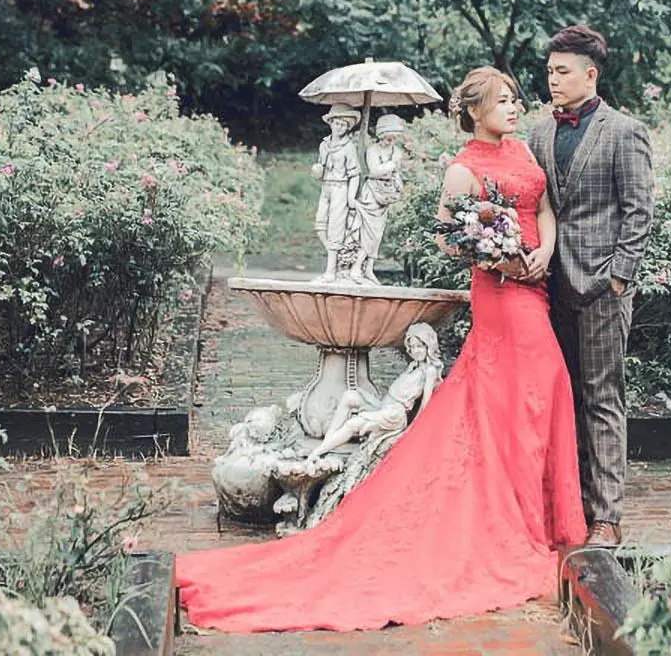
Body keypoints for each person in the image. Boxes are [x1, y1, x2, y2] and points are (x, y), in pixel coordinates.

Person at [174, 67, 585, 633]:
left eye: (515, 99)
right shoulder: (463, 169)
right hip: (501, 295)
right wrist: (494, 257)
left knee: (539, 390)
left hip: (535, 283)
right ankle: (512, 515)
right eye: (502, 101)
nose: (514, 107)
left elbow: (542, 210)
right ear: (474, 111)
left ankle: (538, 513)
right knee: (521, 392)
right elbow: (448, 237)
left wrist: (544, 252)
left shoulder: (522, 152)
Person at [527, 24, 655, 548]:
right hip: (550, 287)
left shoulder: (624, 131)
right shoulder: (538, 133)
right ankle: (572, 507)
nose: (553, 80)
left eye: (562, 72)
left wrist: (620, 276)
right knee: (564, 399)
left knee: (603, 398)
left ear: (591, 74)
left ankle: (607, 516)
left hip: (604, 286)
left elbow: (639, 210)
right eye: (549, 72)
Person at [309, 323, 443, 459]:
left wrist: (414, 428)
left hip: (394, 414)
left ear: (428, 346)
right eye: (412, 347)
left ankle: (315, 454)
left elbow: (426, 404)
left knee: (352, 424)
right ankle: (326, 444)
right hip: (385, 404)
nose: (415, 351)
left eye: (419, 346)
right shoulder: (414, 365)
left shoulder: (429, 371)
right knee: (350, 396)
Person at [348, 113, 406, 284]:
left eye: (393, 138)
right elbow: (374, 171)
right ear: (381, 135)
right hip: (371, 195)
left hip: (385, 196)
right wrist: (390, 165)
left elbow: (395, 173)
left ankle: (368, 269)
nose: (390, 141)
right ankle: (356, 267)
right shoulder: (373, 150)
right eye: (387, 138)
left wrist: (399, 184)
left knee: (378, 233)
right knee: (369, 232)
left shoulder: (397, 152)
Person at [311, 104, 361, 282]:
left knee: (335, 228)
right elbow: (320, 168)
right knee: (320, 224)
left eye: (343, 125)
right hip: (326, 187)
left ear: (348, 127)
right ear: (330, 122)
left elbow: (354, 174)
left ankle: (331, 270)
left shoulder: (349, 147)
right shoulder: (324, 144)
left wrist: (351, 197)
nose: (339, 127)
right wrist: (317, 170)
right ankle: (338, 255)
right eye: (337, 123)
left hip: (341, 187)